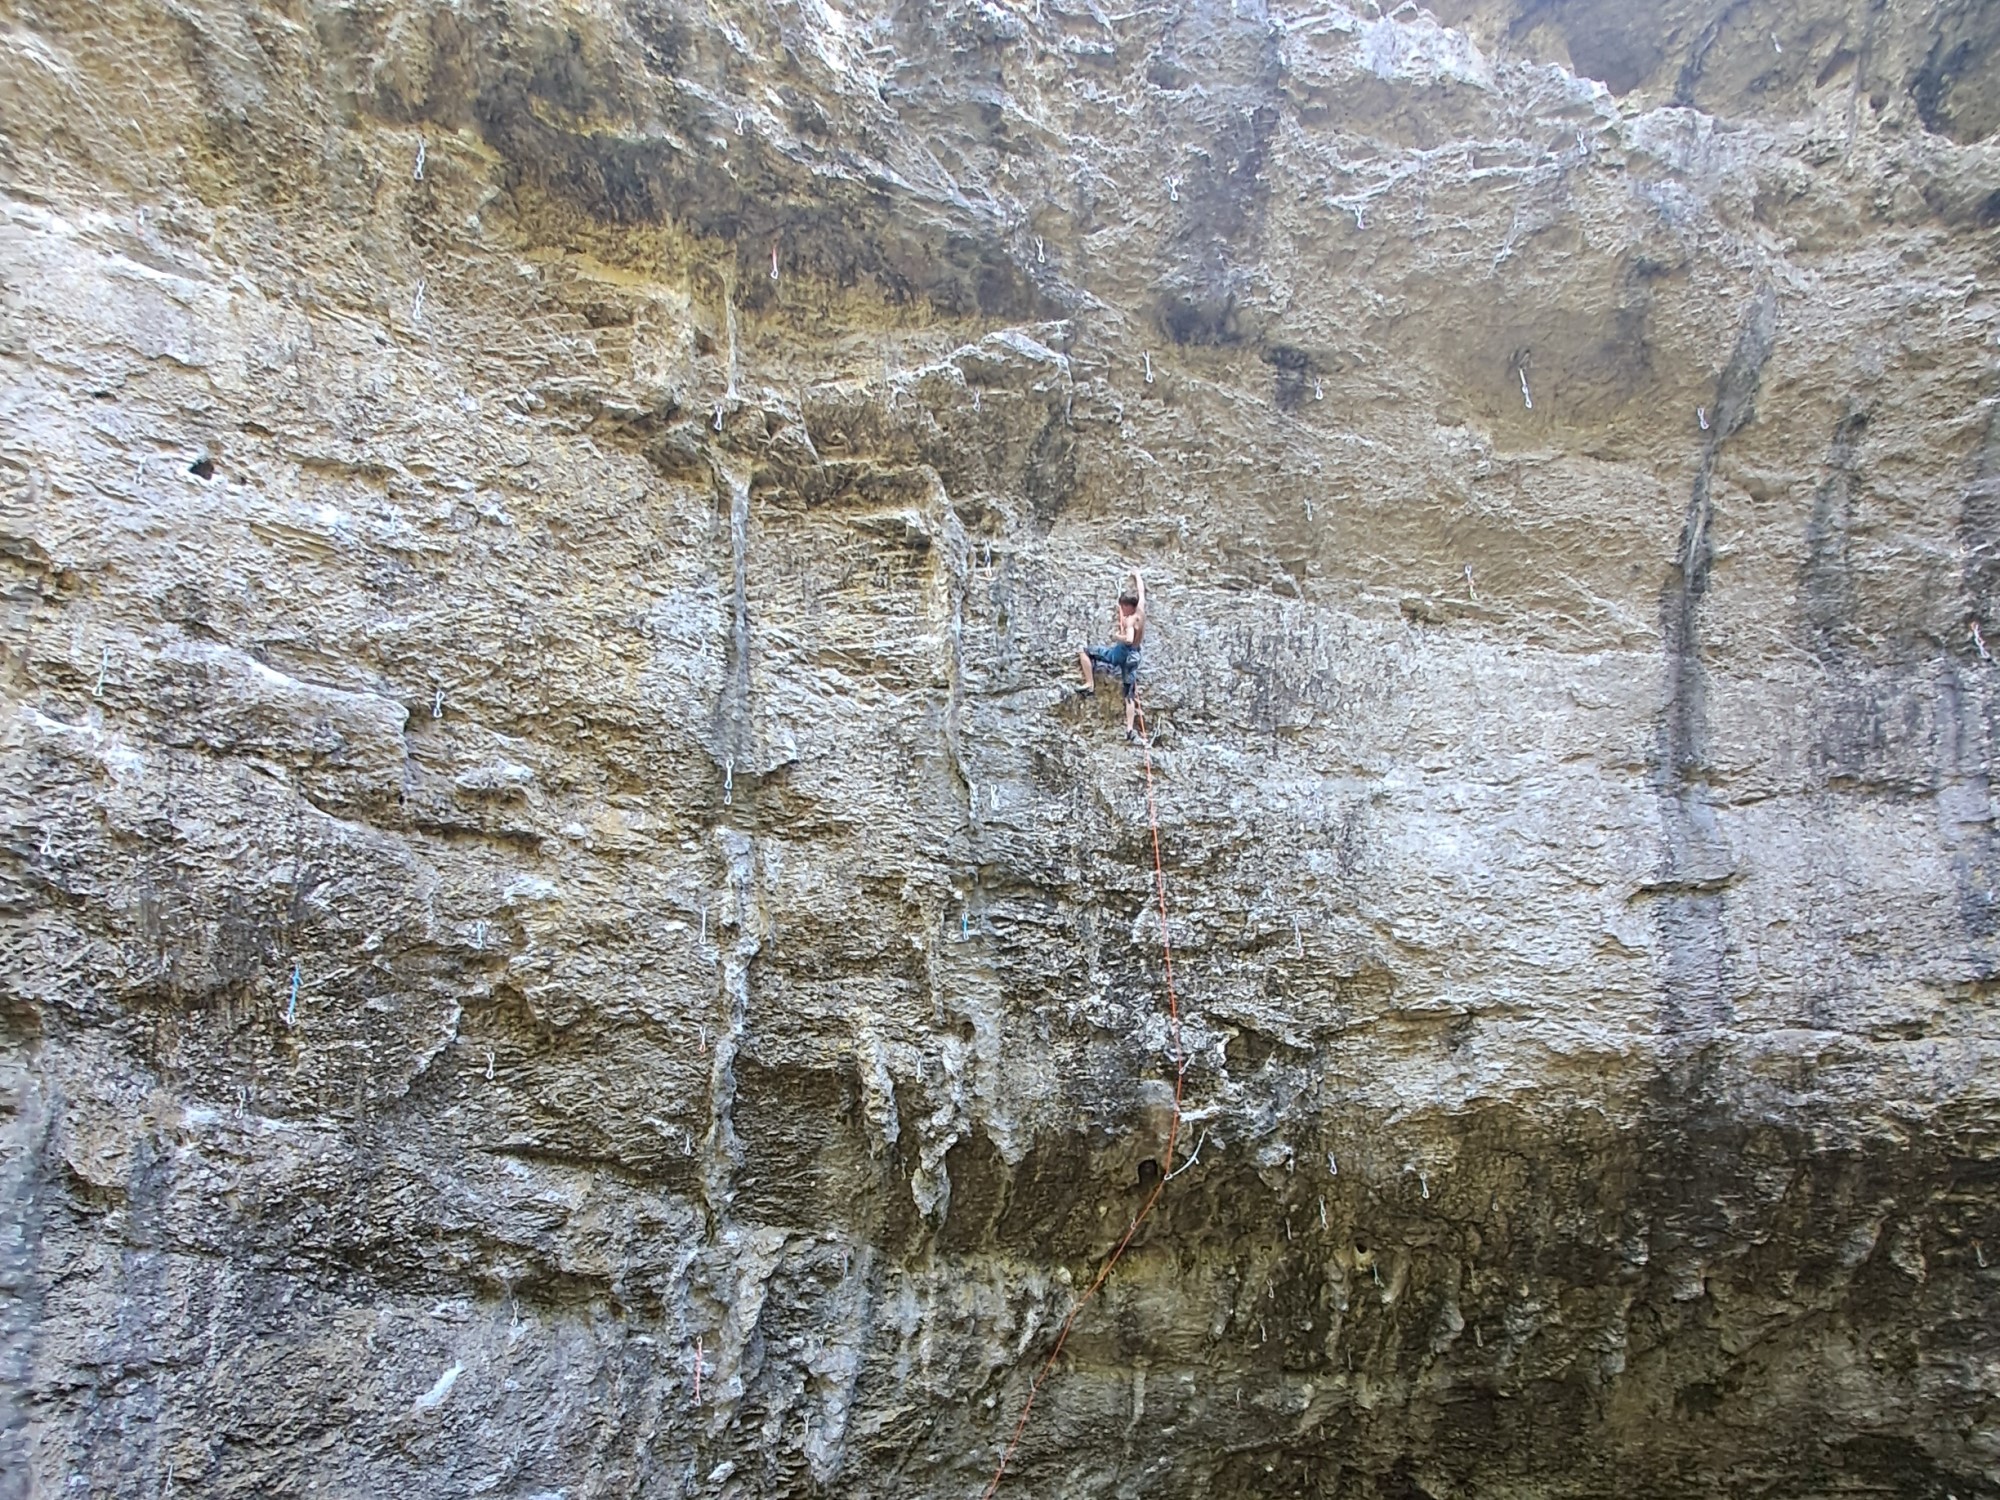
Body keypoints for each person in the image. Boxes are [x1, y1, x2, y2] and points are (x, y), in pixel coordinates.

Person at [1077, 569, 1146, 740]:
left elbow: (1129, 639)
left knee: (1084, 651)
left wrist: (1117, 636)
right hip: (1135, 657)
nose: (1122, 609)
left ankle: (1089, 683)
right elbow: (1142, 591)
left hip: (1121, 654)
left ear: (1129, 606)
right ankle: (1130, 729)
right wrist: (1137, 576)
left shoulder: (1130, 620)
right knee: (1129, 693)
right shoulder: (1140, 610)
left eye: (1124, 607)